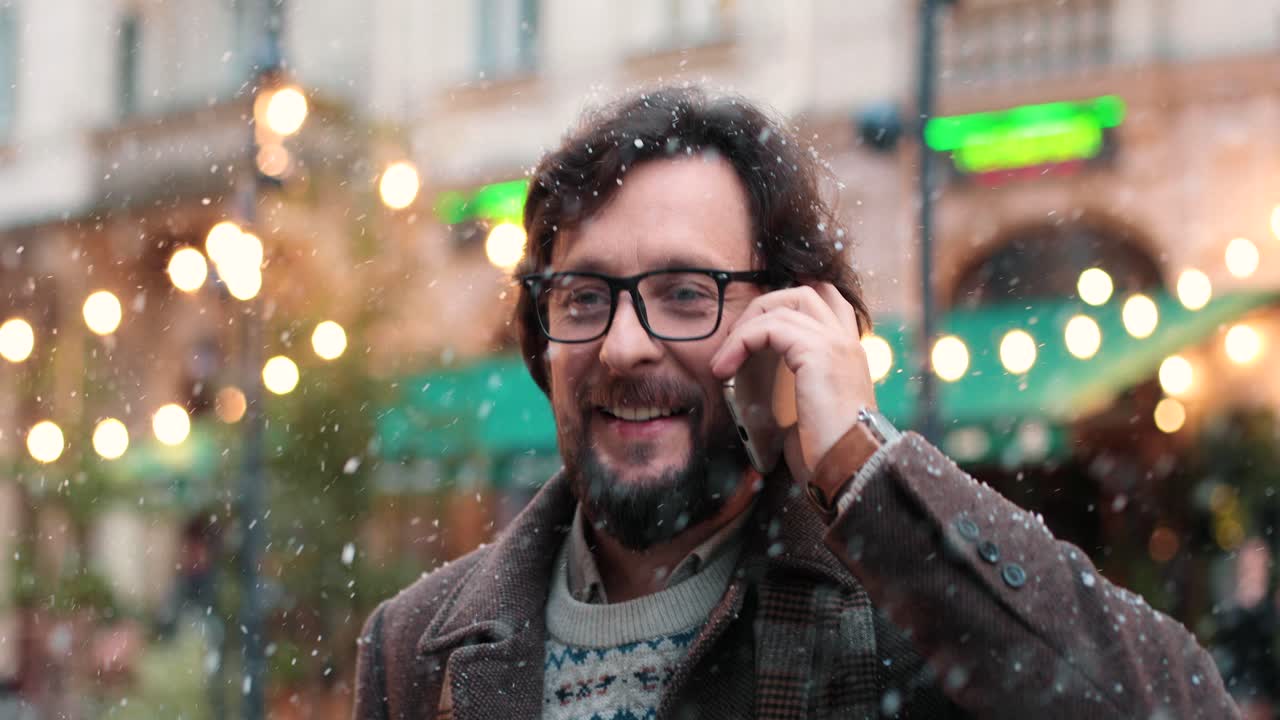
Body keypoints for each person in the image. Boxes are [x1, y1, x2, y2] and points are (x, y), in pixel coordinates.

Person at [353, 86, 1238, 719]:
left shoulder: (903, 609)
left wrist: (866, 463)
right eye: (583, 297)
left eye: (685, 292)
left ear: (791, 321)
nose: (624, 345)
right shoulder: (415, 648)